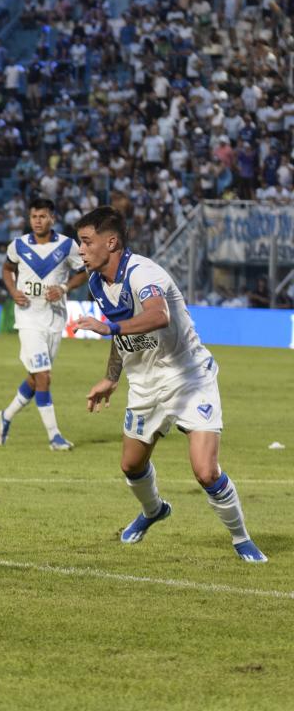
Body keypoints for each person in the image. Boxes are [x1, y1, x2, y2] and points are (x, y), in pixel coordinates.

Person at [74, 206, 266, 563]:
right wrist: (111, 377)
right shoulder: (97, 282)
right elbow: (124, 334)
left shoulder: (143, 273)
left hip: (190, 377)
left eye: (86, 242)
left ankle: (242, 539)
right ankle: (154, 511)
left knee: (206, 470)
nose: (81, 250)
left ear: (111, 241)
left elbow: (158, 315)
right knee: (131, 466)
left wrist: (110, 328)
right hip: (145, 384)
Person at [0, 198, 88, 451]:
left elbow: (85, 271)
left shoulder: (68, 246)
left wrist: (65, 287)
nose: (38, 221)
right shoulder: (18, 245)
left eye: (43, 216)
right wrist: (13, 290)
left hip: (55, 318)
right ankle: (54, 436)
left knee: (36, 380)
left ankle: (6, 415)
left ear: (53, 219)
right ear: (29, 219)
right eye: (34, 216)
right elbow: (6, 269)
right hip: (27, 318)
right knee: (45, 377)